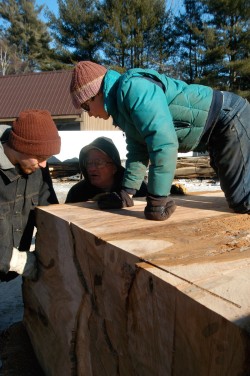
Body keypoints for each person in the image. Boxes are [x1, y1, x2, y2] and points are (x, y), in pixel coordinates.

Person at [70, 61, 250, 220]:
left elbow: (162, 144)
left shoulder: (134, 89)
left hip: (229, 118)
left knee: (242, 200)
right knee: (237, 193)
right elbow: (138, 151)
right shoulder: (121, 109)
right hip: (215, 132)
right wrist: (126, 192)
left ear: (97, 93)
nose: (89, 113)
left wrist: (157, 198)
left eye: (86, 106)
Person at [0, 109, 61, 281]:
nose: (43, 164)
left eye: (47, 157)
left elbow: (49, 212)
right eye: (40, 157)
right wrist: (16, 261)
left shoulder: (37, 168)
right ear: (20, 147)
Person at [65, 136, 147, 206]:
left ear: (114, 168)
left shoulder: (137, 189)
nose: (91, 168)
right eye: (88, 163)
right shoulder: (77, 192)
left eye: (99, 163)